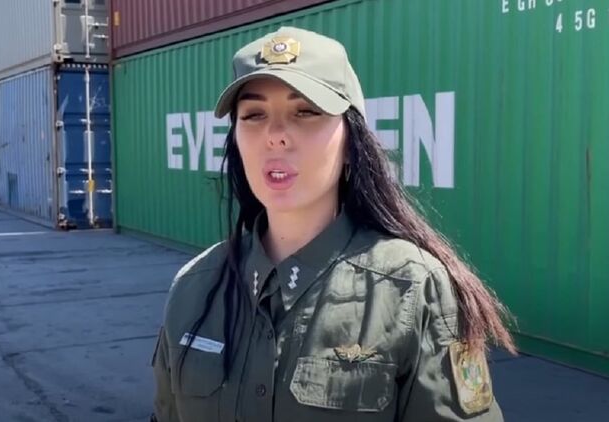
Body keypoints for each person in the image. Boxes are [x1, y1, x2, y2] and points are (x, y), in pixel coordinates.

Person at [151, 26, 516, 422]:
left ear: (350, 142)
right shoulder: (195, 288)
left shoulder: (413, 289)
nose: (275, 135)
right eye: (254, 115)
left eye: (306, 112)